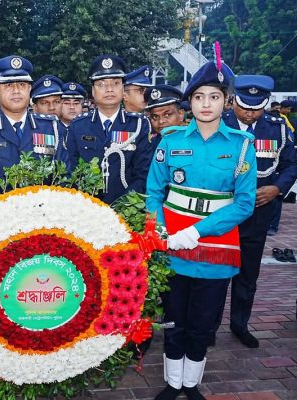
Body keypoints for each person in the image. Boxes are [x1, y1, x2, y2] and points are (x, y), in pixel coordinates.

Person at [146, 59, 256, 400]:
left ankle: (191, 384)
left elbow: (243, 203)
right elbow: (153, 192)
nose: (206, 104)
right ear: (189, 103)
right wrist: (160, 233)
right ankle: (172, 382)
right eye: (199, 97)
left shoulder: (240, 146)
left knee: (203, 322)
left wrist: (196, 232)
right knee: (173, 319)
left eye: (214, 97)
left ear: (226, 101)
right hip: (172, 247)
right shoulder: (171, 140)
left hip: (214, 247)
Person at [220, 75, 297, 348]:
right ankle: (207, 327)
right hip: (221, 214)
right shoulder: (218, 124)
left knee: (248, 274)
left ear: (266, 104)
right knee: (215, 274)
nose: (250, 112)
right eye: (244, 106)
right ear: (233, 101)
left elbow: (291, 164)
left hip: (257, 214)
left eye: (256, 107)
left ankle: (240, 325)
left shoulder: (278, 129)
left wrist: (277, 188)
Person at [0, 55, 70, 185]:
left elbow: (64, 179)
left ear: (29, 89)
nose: (16, 91)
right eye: (8, 85)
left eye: (22, 84)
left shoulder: (52, 128)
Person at [66, 54, 151, 204]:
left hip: (126, 210)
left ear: (123, 89)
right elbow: (70, 171)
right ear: (93, 91)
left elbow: (143, 174)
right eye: (102, 84)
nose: (109, 89)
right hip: (85, 210)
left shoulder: (138, 125)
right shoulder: (78, 126)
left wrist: (122, 206)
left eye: (116, 83)